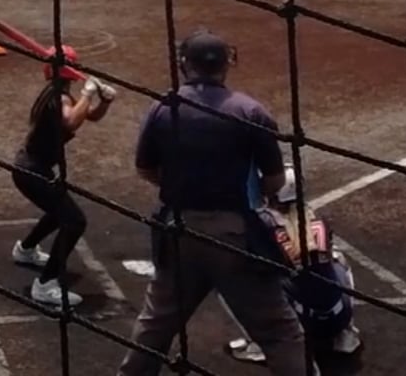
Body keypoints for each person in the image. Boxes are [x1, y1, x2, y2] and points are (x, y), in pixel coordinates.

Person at [116, 30, 310, 376]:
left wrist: (183, 185)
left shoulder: (164, 107)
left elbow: (145, 168)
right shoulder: (250, 111)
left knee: (155, 327)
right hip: (235, 236)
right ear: (226, 64)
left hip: (178, 231)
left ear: (184, 64)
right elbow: (275, 181)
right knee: (280, 334)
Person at [8, 43, 114, 310]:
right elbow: (71, 121)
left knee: (60, 213)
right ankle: (45, 285)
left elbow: (89, 116)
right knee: (74, 221)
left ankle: (26, 250)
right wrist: (89, 93)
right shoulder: (60, 98)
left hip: (32, 168)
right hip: (32, 170)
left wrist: (104, 101)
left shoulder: (58, 94)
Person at [228, 160, 362, 364]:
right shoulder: (317, 219)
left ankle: (259, 345)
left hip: (300, 322)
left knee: (235, 276)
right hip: (338, 315)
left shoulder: (266, 222)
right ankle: (345, 334)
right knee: (337, 259)